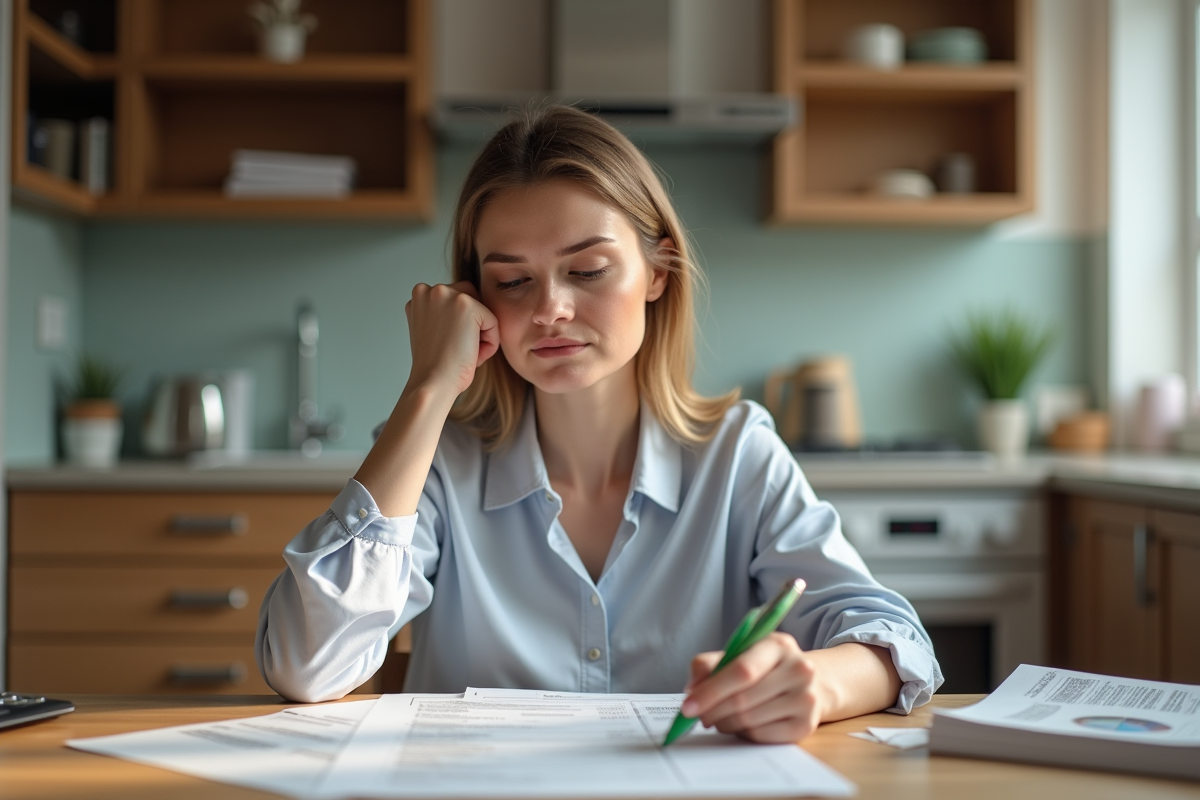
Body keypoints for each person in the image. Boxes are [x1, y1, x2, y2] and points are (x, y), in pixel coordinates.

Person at [256, 104, 942, 743]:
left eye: (587, 269)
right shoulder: (437, 461)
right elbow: (304, 665)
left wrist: (816, 684)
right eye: (514, 282)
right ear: (473, 299)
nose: (551, 308)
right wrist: (429, 389)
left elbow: (894, 641)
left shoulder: (738, 455)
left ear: (657, 271)